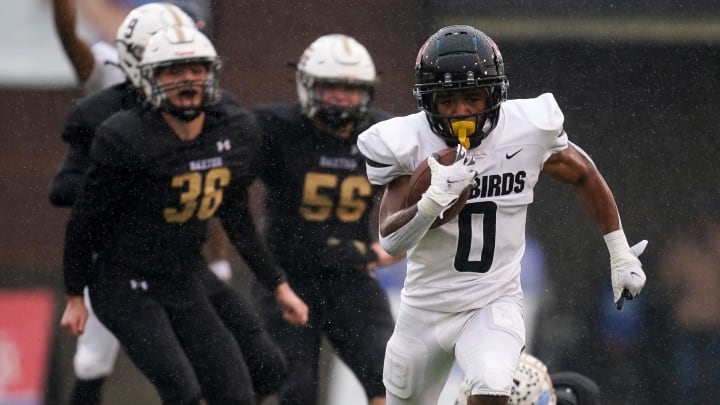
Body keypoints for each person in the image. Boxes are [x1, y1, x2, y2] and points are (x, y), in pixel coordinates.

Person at [356, 25, 647, 405]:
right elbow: (391, 239)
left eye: (473, 98)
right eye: (447, 100)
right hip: (424, 309)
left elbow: (582, 172)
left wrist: (618, 249)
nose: (461, 111)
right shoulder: (407, 143)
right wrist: (432, 201)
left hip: (492, 300)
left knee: (492, 386)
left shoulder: (526, 129)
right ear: (428, 101)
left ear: (494, 94)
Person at [51, 4, 293, 405]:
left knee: (241, 381)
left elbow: (231, 206)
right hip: (122, 268)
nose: (186, 77)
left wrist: (273, 282)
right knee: (119, 370)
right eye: (171, 68)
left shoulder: (225, 119)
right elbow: (72, 201)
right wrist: (136, 189)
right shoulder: (112, 124)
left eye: (194, 66)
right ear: (143, 65)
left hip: (185, 262)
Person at [250, 33, 399, 405]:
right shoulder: (274, 127)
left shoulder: (385, 134)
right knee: (296, 389)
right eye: (330, 86)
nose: (341, 96)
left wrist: (399, 241)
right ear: (306, 86)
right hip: (287, 277)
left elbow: (430, 185)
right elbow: (230, 195)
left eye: (352, 88)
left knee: (393, 381)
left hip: (350, 276)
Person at [657, 193, 720, 403]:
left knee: (715, 378)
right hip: (688, 322)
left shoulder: (717, 242)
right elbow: (668, 281)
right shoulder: (681, 246)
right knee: (687, 380)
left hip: (715, 322)